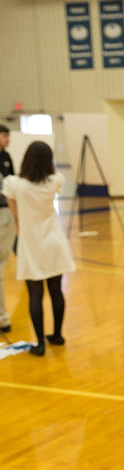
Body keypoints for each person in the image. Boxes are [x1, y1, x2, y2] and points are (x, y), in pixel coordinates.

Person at [1, 141, 75, 356]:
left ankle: (40, 344)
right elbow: (52, 176)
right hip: (54, 241)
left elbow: (15, 217)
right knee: (56, 291)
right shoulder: (54, 181)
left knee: (35, 293)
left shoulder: (14, 184)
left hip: (31, 243)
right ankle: (58, 336)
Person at [0, 124, 16, 334]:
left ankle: (3, 317)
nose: (7, 139)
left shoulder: (7, 157)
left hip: (5, 213)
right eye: (4, 136)